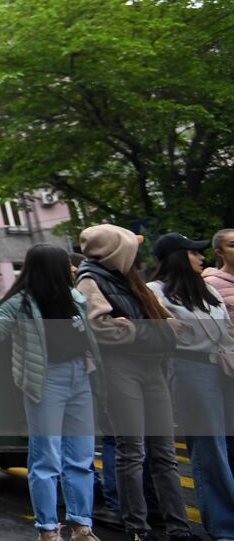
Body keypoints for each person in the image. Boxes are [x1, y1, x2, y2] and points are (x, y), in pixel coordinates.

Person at [74, 224, 194, 541]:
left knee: (164, 454)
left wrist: (136, 329)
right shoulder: (90, 279)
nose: (136, 254)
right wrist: (147, 332)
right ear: (116, 249)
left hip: (151, 368)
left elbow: (169, 323)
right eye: (130, 247)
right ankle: (138, 529)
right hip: (119, 370)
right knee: (133, 452)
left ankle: (179, 528)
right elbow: (102, 329)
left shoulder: (128, 278)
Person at [0, 243, 100, 541]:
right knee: (46, 458)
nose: (72, 269)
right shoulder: (21, 302)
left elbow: (87, 334)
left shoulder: (75, 298)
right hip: (45, 381)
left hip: (80, 378)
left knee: (81, 457)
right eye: (65, 265)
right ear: (51, 268)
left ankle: (81, 525)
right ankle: (47, 529)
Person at [148, 233, 234, 541]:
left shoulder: (208, 288)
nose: (202, 257)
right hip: (189, 367)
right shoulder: (154, 292)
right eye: (194, 252)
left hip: (224, 367)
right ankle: (225, 527)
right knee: (210, 447)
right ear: (177, 256)